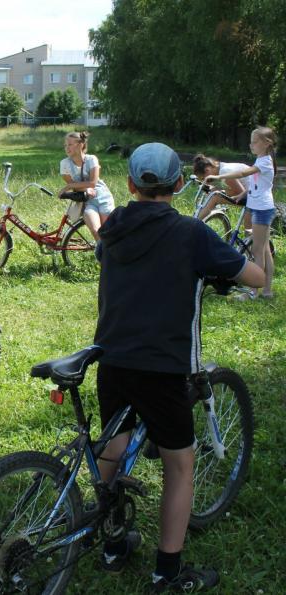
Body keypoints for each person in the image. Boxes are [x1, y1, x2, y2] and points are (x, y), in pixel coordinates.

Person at [92, 143, 264, 592]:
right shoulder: (190, 232)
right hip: (162, 366)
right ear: (181, 183)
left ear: (130, 184)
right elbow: (256, 277)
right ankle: (167, 571)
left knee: (113, 448)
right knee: (181, 465)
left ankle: (111, 543)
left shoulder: (112, 226)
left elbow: (107, 259)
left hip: (110, 357)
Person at [205, 126, 278, 300]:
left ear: (266, 143)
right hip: (259, 206)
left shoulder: (264, 162)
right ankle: (266, 291)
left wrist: (218, 177)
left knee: (257, 251)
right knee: (264, 250)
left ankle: (252, 291)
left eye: (254, 142)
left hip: (261, 209)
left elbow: (245, 173)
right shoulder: (262, 160)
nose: (251, 145)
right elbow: (259, 184)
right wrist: (243, 194)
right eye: (251, 142)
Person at [59, 131, 115, 239]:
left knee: (107, 232)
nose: (67, 148)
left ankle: (108, 249)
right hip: (87, 201)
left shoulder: (91, 159)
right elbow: (73, 185)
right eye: (65, 145)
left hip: (103, 198)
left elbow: (93, 183)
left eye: (70, 144)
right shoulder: (64, 164)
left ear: (81, 145)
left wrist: (69, 187)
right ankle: (102, 249)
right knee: (95, 230)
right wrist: (83, 188)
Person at [192, 154, 250, 224]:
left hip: (254, 196)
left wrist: (218, 191)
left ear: (207, 170)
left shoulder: (225, 171)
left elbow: (239, 193)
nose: (206, 182)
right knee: (214, 194)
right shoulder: (220, 167)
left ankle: (194, 223)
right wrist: (216, 189)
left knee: (215, 197)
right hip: (251, 193)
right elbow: (229, 187)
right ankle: (196, 220)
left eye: (203, 178)